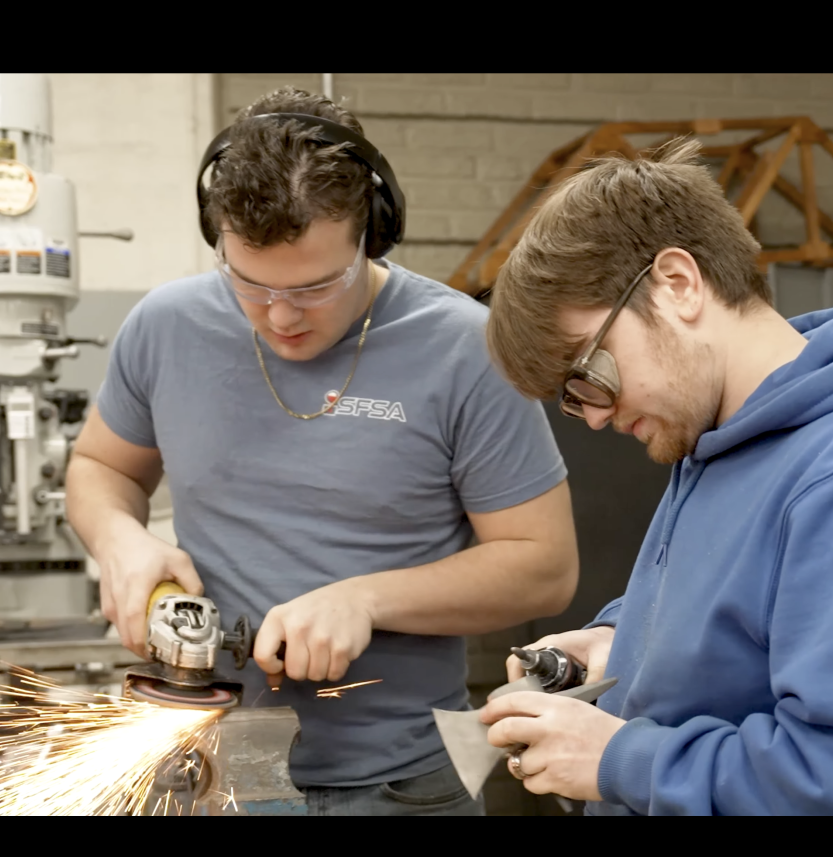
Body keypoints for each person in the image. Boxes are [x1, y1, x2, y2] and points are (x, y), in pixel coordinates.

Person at [65, 87, 578, 816]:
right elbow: (100, 467)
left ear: (372, 233)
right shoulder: (164, 327)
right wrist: (120, 539)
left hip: (400, 785)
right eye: (248, 282)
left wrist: (366, 599)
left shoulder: (466, 349)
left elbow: (544, 566)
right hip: (206, 771)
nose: (279, 316)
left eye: (315, 287)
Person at [479, 139, 833, 816]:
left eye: (590, 373)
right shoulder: (717, 442)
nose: (593, 415)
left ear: (677, 284)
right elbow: (749, 628)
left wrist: (618, 759)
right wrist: (625, 643)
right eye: (571, 397)